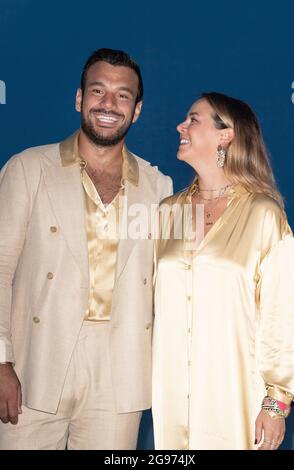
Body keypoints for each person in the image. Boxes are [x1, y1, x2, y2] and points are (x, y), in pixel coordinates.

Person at [0, 48, 173, 450]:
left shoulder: (159, 187)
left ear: (138, 109)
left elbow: (183, 277)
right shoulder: (28, 169)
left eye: (122, 95)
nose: (109, 104)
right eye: (98, 91)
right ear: (80, 99)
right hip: (34, 363)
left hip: (120, 371)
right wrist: (1, 361)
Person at [152, 92, 294, 450]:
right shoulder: (166, 213)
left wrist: (276, 404)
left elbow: (280, 318)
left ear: (226, 135)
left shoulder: (264, 215)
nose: (180, 126)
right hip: (171, 397)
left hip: (235, 400)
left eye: (193, 119)